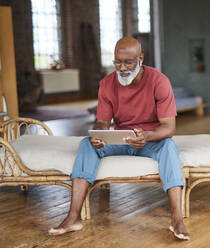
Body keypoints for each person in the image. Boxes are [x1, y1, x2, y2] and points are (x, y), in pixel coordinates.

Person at [48, 37, 190, 240]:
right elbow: (102, 122)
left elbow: (169, 127)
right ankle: (73, 217)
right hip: (121, 139)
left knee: (169, 147)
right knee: (86, 145)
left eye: (128, 62)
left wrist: (147, 136)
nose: (122, 68)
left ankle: (177, 218)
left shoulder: (159, 81)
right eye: (117, 62)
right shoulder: (107, 83)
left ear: (141, 58)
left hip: (151, 140)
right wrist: (99, 134)